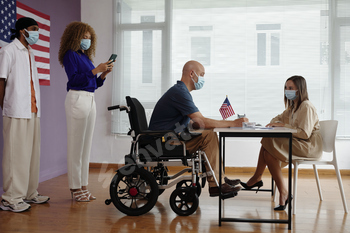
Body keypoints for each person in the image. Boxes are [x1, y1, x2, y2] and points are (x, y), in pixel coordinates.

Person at [149, 60, 248, 197]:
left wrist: (207, 124)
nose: (203, 79)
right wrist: (234, 123)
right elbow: (201, 121)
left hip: (168, 138)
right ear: (192, 74)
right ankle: (216, 184)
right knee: (208, 135)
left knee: (207, 132)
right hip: (163, 142)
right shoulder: (179, 92)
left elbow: (196, 123)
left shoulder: (181, 91)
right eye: (202, 74)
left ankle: (219, 179)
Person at [240, 75, 322, 210]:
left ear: (299, 89)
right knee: (268, 149)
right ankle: (282, 192)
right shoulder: (293, 107)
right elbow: (277, 118)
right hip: (298, 142)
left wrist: (284, 125)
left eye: (290, 88)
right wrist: (277, 123)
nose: (287, 90)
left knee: (268, 144)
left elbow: (304, 133)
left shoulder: (306, 106)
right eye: (285, 88)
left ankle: (258, 179)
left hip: (308, 146)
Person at [58, 22, 114, 202]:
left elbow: (93, 84)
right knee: (76, 146)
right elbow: (74, 79)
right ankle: (75, 188)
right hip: (77, 99)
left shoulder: (85, 57)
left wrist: (103, 74)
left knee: (85, 147)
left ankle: (83, 186)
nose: (87, 41)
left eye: (89, 38)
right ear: (75, 37)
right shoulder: (70, 55)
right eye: (85, 37)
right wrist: (96, 69)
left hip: (90, 99)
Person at [0, 17, 50, 213]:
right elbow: (1, 80)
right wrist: (5, 106)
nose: (37, 33)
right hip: (16, 110)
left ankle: (30, 193)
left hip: (33, 110)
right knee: (16, 155)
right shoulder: (8, 51)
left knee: (31, 154)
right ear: (22, 30)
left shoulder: (29, 53)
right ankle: (10, 198)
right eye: (33, 29)